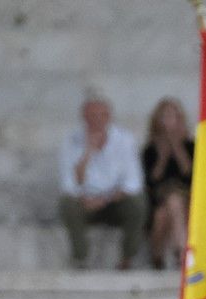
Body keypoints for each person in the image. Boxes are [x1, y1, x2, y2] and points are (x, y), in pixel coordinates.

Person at [58, 89, 146, 270]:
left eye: (100, 116)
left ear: (108, 117)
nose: (95, 121)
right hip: (86, 202)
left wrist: (106, 199)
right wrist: (88, 152)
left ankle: (128, 257)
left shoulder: (125, 141)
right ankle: (80, 258)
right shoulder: (71, 141)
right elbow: (69, 184)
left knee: (138, 204)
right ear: (84, 118)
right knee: (67, 204)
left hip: (115, 201)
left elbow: (133, 183)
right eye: (91, 116)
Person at [140, 97, 193, 271]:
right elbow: (153, 179)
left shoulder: (191, 146)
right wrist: (163, 155)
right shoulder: (150, 150)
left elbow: (190, 174)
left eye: (173, 116)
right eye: (165, 116)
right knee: (163, 213)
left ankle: (177, 254)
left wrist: (177, 147)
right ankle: (175, 254)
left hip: (187, 200)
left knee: (175, 202)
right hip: (160, 200)